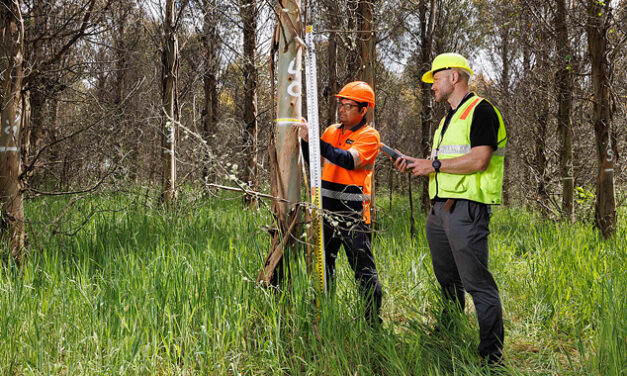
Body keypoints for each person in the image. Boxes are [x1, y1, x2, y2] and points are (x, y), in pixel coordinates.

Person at [395, 53, 507, 363]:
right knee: (448, 280)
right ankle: (451, 333)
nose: (431, 85)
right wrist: (418, 166)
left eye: (435, 78)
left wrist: (432, 165)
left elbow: (479, 160)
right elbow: (441, 166)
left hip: (467, 212)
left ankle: (491, 358)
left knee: (477, 284)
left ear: (454, 77)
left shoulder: (482, 111)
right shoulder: (447, 120)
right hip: (439, 212)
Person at [298, 81, 383, 324]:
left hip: (353, 214)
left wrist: (314, 140)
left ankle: (372, 323)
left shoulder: (369, 136)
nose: (342, 109)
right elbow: (313, 160)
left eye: (349, 105)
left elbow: (347, 160)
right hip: (325, 210)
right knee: (324, 265)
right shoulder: (331, 131)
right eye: (341, 104)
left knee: (363, 270)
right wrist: (307, 142)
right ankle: (326, 315)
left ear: (364, 109)